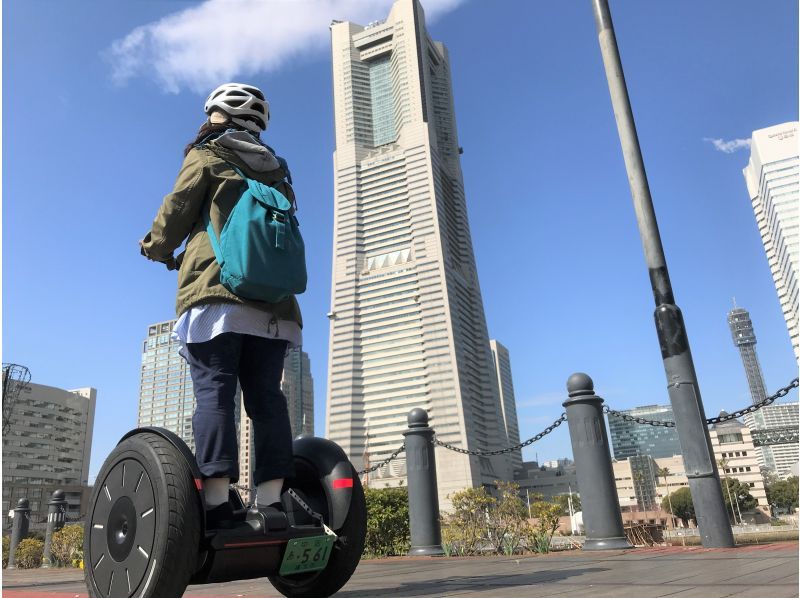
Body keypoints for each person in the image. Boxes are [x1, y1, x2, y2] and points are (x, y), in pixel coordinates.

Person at [139, 83, 302, 528]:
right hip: (276, 309)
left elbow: (173, 214)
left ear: (216, 117)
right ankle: (271, 503)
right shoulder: (277, 171)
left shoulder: (207, 155)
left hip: (217, 297)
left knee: (215, 392)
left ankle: (217, 502)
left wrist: (153, 247)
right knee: (268, 399)